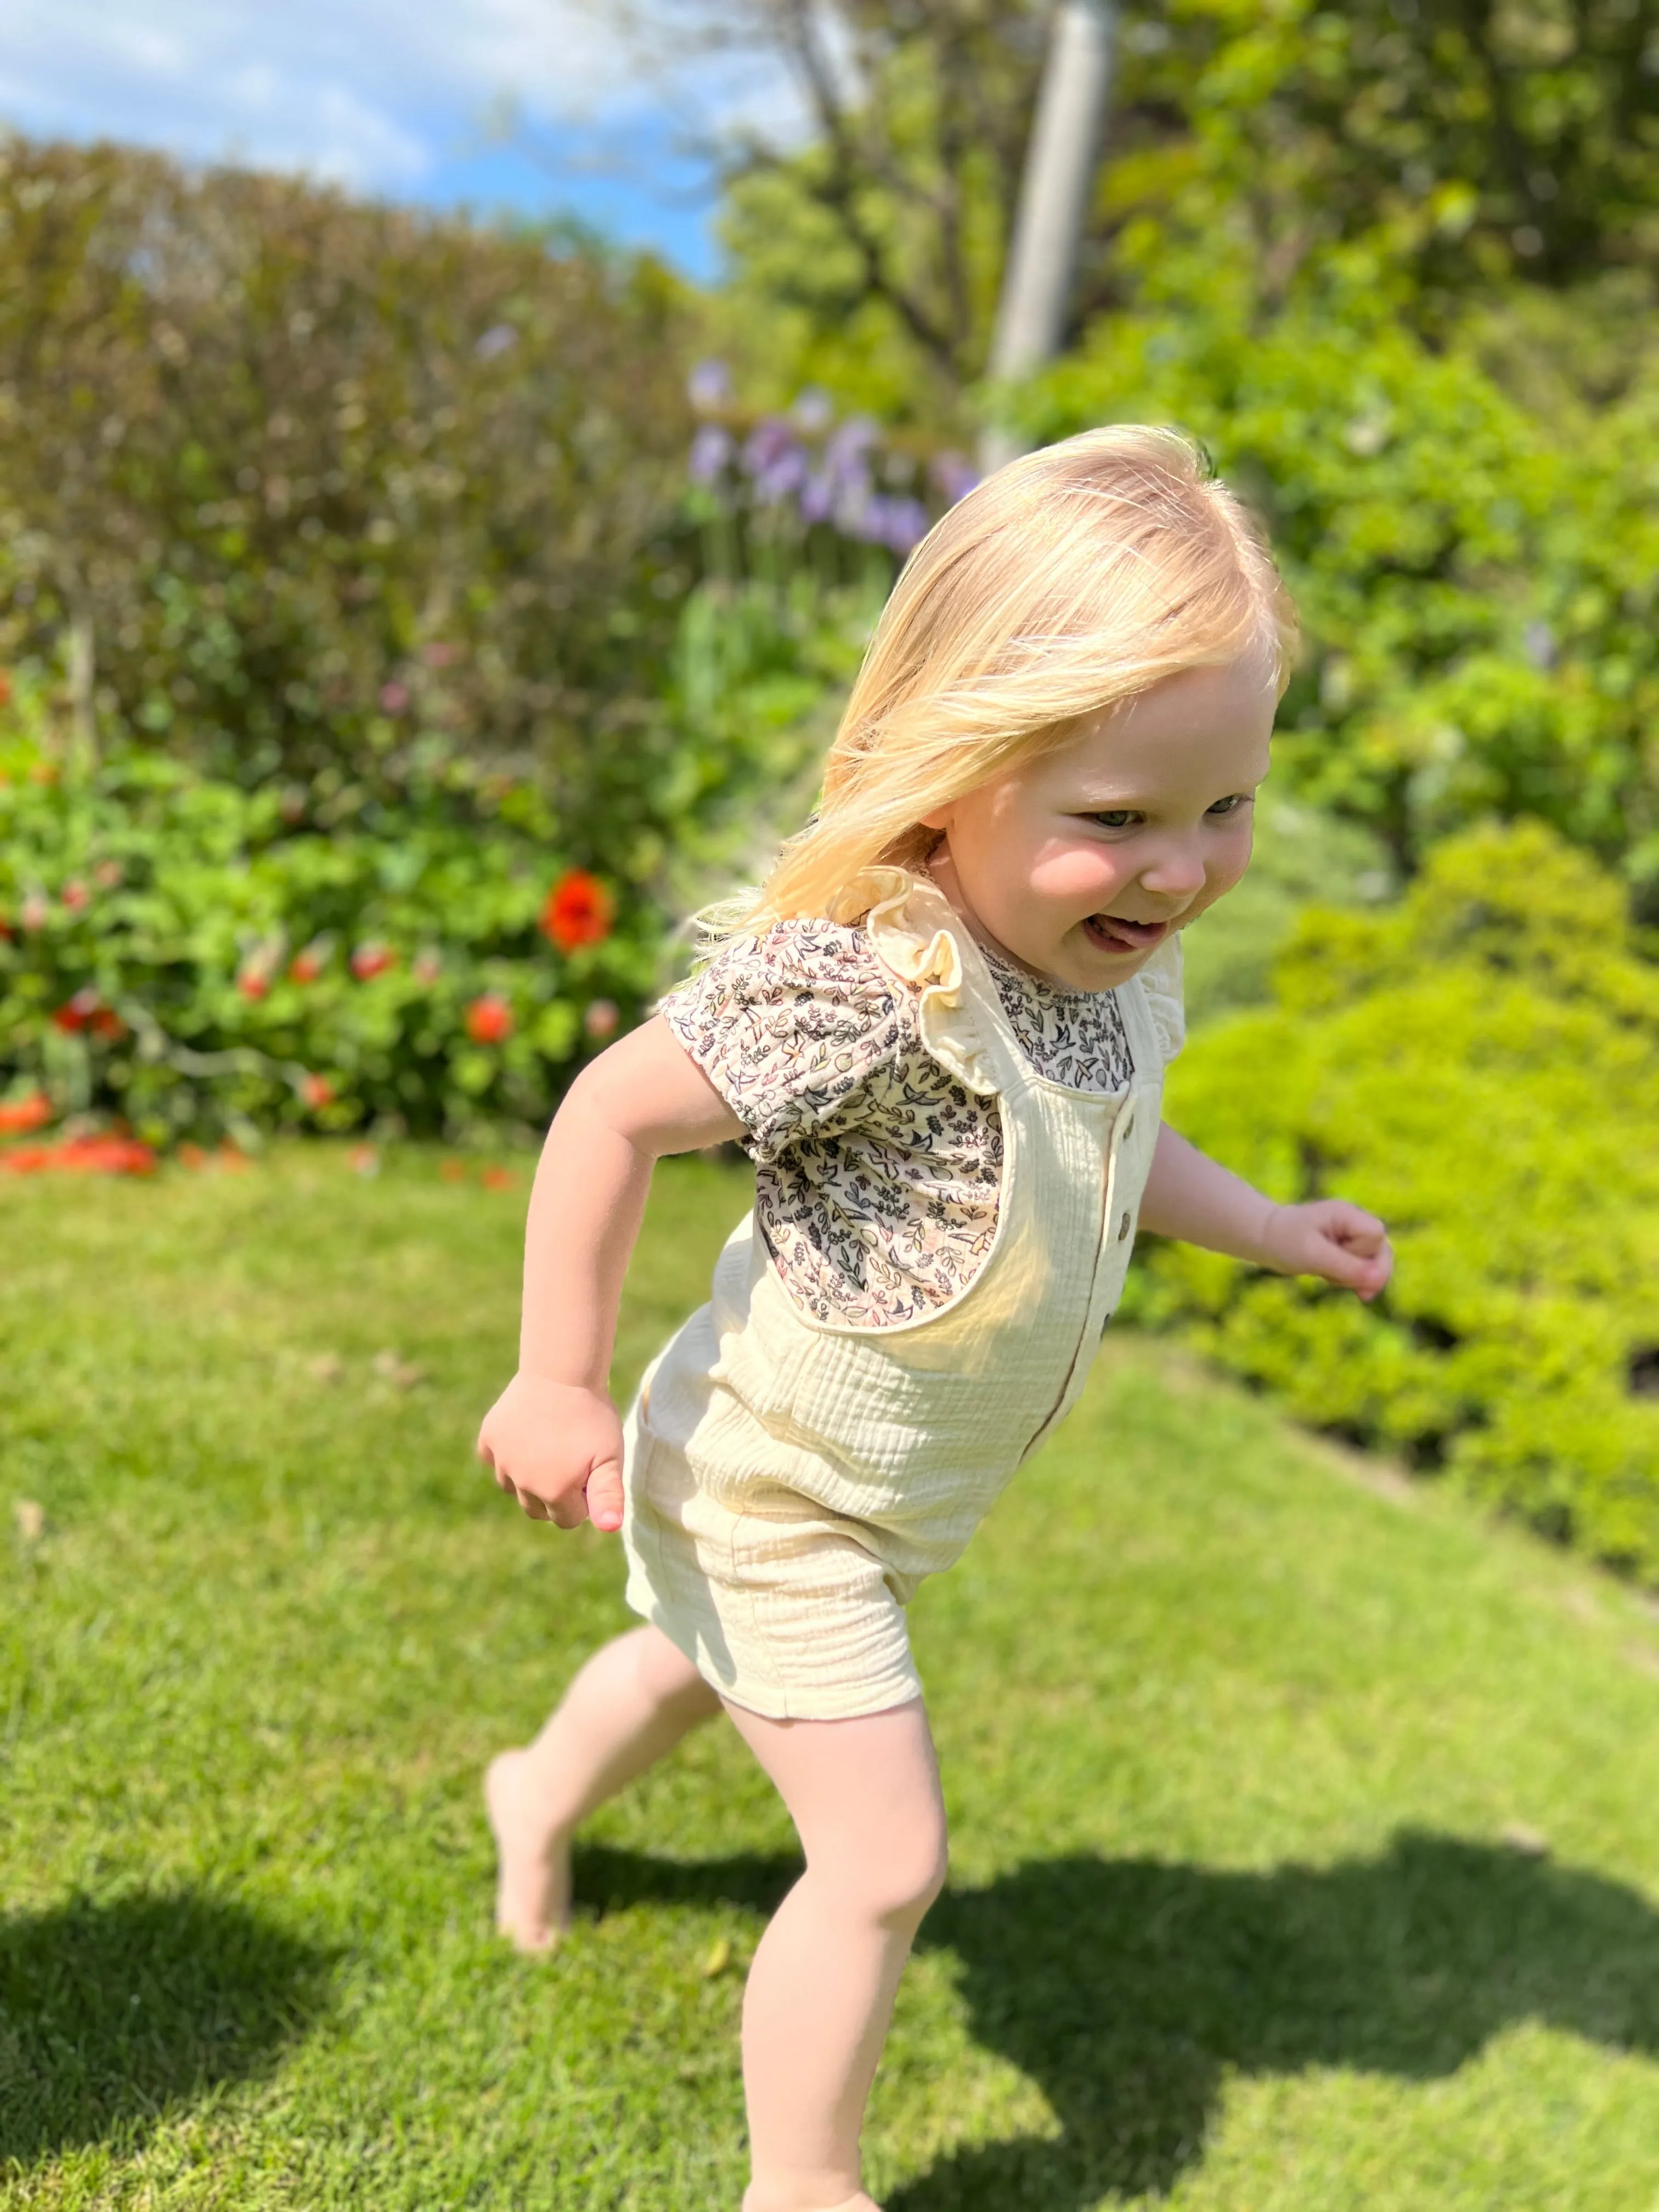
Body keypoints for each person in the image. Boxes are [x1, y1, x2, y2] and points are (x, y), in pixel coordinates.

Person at [476, 425, 1393, 2212]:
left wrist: (1271, 1230)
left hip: (869, 1495)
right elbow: (609, 1112)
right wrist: (550, 1376)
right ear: (946, 773)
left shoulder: (1119, 964)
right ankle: (802, 2185)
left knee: (681, 1665)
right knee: (884, 1860)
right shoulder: (873, 989)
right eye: (1118, 821)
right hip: (773, 1488)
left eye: (1227, 808)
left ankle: (534, 1790)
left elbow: (1123, 1135)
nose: (1182, 871)